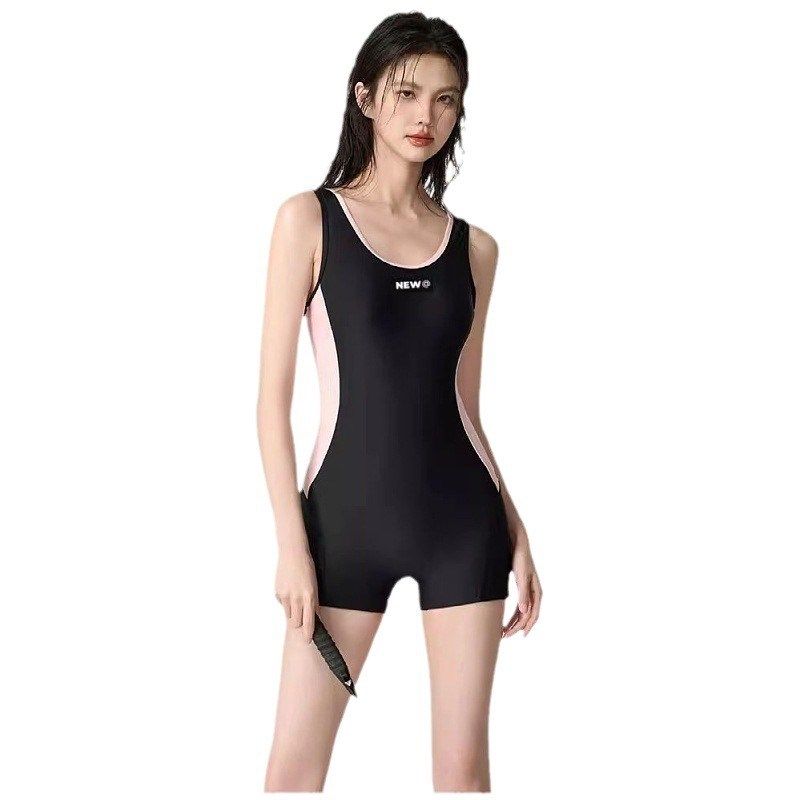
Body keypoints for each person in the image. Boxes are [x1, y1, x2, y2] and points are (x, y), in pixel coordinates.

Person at [256, 12, 542, 792]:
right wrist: (291, 546)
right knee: (293, 772)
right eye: (407, 93)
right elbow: (271, 404)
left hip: (463, 526)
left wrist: (515, 528)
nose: (426, 116)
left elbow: (465, 408)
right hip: (342, 526)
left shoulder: (475, 248)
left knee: (462, 773)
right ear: (365, 98)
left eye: (446, 99)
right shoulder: (308, 220)